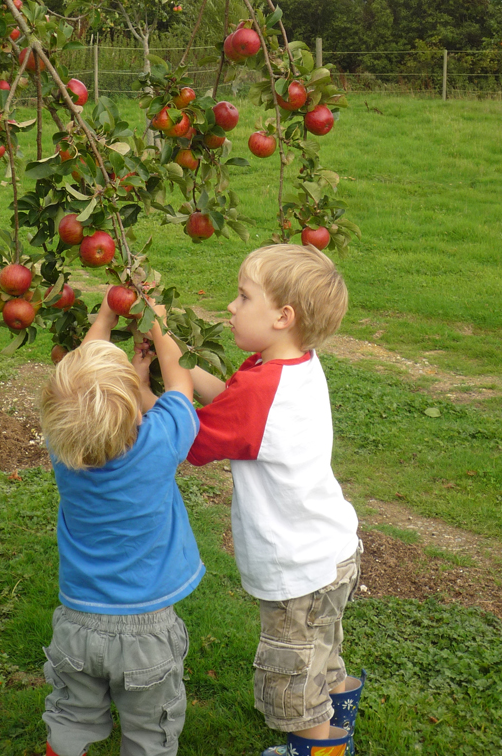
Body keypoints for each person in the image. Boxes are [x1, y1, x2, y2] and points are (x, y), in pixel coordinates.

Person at [186, 244, 366, 756]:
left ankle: (314, 748)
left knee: (294, 687)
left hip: (299, 572)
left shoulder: (263, 389)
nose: (231, 307)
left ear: (283, 316)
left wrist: (149, 391)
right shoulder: (293, 366)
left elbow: (193, 439)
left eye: (243, 297)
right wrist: (176, 361)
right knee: (322, 656)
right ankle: (340, 735)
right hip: (333, 551)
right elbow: (231, 407)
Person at [38, 289, 205, 756]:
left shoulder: (63, 451)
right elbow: (182, 386)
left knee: (71, 715)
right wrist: (158, 321)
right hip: (147, 632)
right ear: (133, 408)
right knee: (150, 732)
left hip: (77, 623)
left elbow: (95, 403)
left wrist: (109, 314)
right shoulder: (160, 443)